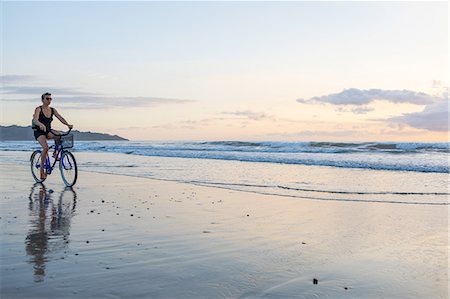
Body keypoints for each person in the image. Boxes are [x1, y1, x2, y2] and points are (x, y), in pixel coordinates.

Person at [32, 92, 73, 180]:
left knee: (59, 135)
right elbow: (35, 119)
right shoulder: (38, 109)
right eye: (47, 99)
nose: (49, 100)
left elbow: (60, 118)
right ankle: (42, 171)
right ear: (42, 100)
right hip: (39, 132)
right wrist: (40, 124)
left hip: (48, 131)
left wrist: (68, 124)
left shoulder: (53, 110)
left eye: (50, 99)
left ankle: (55, 153)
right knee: (46, 148)